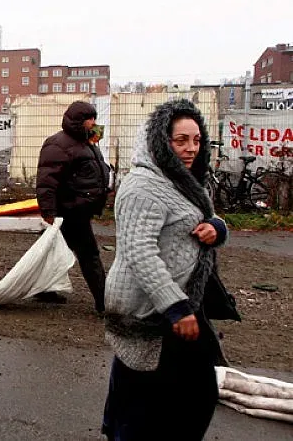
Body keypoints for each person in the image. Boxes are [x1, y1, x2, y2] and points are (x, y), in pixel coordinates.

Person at [101, 99, 231, 440]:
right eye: (181, 141)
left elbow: (203, 216)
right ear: (162, 141)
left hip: (185, 301)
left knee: (179, 392)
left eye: (197, 140)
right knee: (146, 392)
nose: (191, 149)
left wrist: (217, 227)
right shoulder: (142, 187)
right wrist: (175, 306)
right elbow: (138, 251)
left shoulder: (184, 181)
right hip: (150, 309)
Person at [35, 100, 110, 311]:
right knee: (89, 255)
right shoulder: (58, 144)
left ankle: (43, 289)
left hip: (79, 209)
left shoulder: (88, 142)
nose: (94, 123)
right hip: (69, 210)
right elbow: (46, 181)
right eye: (89, 119)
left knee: (51, 250)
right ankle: (104, 302)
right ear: (79, 121)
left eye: (95, 118)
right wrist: (48, 211)